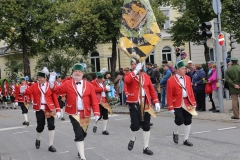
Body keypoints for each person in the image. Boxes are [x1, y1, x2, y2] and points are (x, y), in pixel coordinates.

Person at [49, 63, 100, 160]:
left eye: (79, 71)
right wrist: (52, 81)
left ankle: (79, 149)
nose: (77, 73)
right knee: (78, 134)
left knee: (83, 133)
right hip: (73, 112)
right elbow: (56, 90)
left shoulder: (89, 85)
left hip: (86, 113)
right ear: (73, 72)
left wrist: (97, 112)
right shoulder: (68, 83)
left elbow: (94, 100)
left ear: (82, 73)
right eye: (76, 71)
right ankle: (83, 157)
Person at [125, 59, 160, 155]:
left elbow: (152, 90)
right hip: (134, 103)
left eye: (135, 64)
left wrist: (156, 101)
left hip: (146, 103)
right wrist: (135, 71)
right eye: (132, 64)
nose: (133, 66)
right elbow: (127, 81)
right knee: (135, 125)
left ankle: (146, 147)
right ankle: (132, 139)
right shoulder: (129, 75)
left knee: (146, 126)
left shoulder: (146, 77)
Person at [22, 67, 61, 152]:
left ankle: (51, 145)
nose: (39, 79)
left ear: (45, 78)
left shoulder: (50, 86)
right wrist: (23, 90)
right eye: (38, 77)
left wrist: (58, 110)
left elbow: (55, 98)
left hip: (49, 108)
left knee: (51, 125)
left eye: (41, 78)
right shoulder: (34, 86)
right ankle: (38, 138)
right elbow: (27, 91)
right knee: (40, 126)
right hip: (39, 108)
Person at [167, 60, 197, 146]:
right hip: (177, 103)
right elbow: (169, 95)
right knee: (179, 120)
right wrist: (170, 107)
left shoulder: (188, 78)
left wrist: (193, 102)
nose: (185, 70)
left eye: (185, 68)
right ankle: (175, 132)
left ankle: (185, 139)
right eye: (183, 68)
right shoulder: (171, 80)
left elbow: (190, 91)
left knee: (188, 120)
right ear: (177, 70)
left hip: (188, 102)